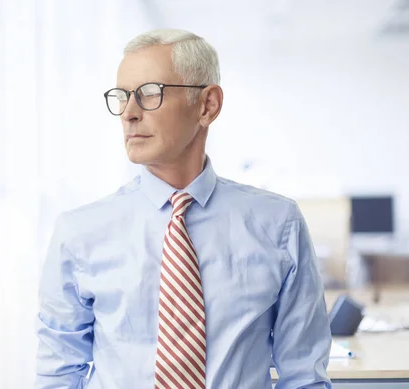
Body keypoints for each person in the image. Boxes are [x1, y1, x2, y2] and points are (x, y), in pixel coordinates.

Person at [34, 28, 332, 389]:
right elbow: (59, 375)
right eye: (122, 96)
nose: (128, 113)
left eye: (148, 94)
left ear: (207, 105)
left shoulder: (277, 224)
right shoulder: (80, 233)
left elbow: (303, 376)